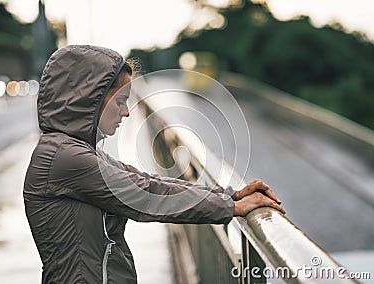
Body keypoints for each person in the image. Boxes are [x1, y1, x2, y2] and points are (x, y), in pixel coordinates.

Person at [23, 45, 285, 284]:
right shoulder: (65, 158)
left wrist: (230, 195)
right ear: (88, 100)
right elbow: (145, 195)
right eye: (120, 100)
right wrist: (231, 207)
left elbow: (148, 181)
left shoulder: (74, 150)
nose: (126, 111)